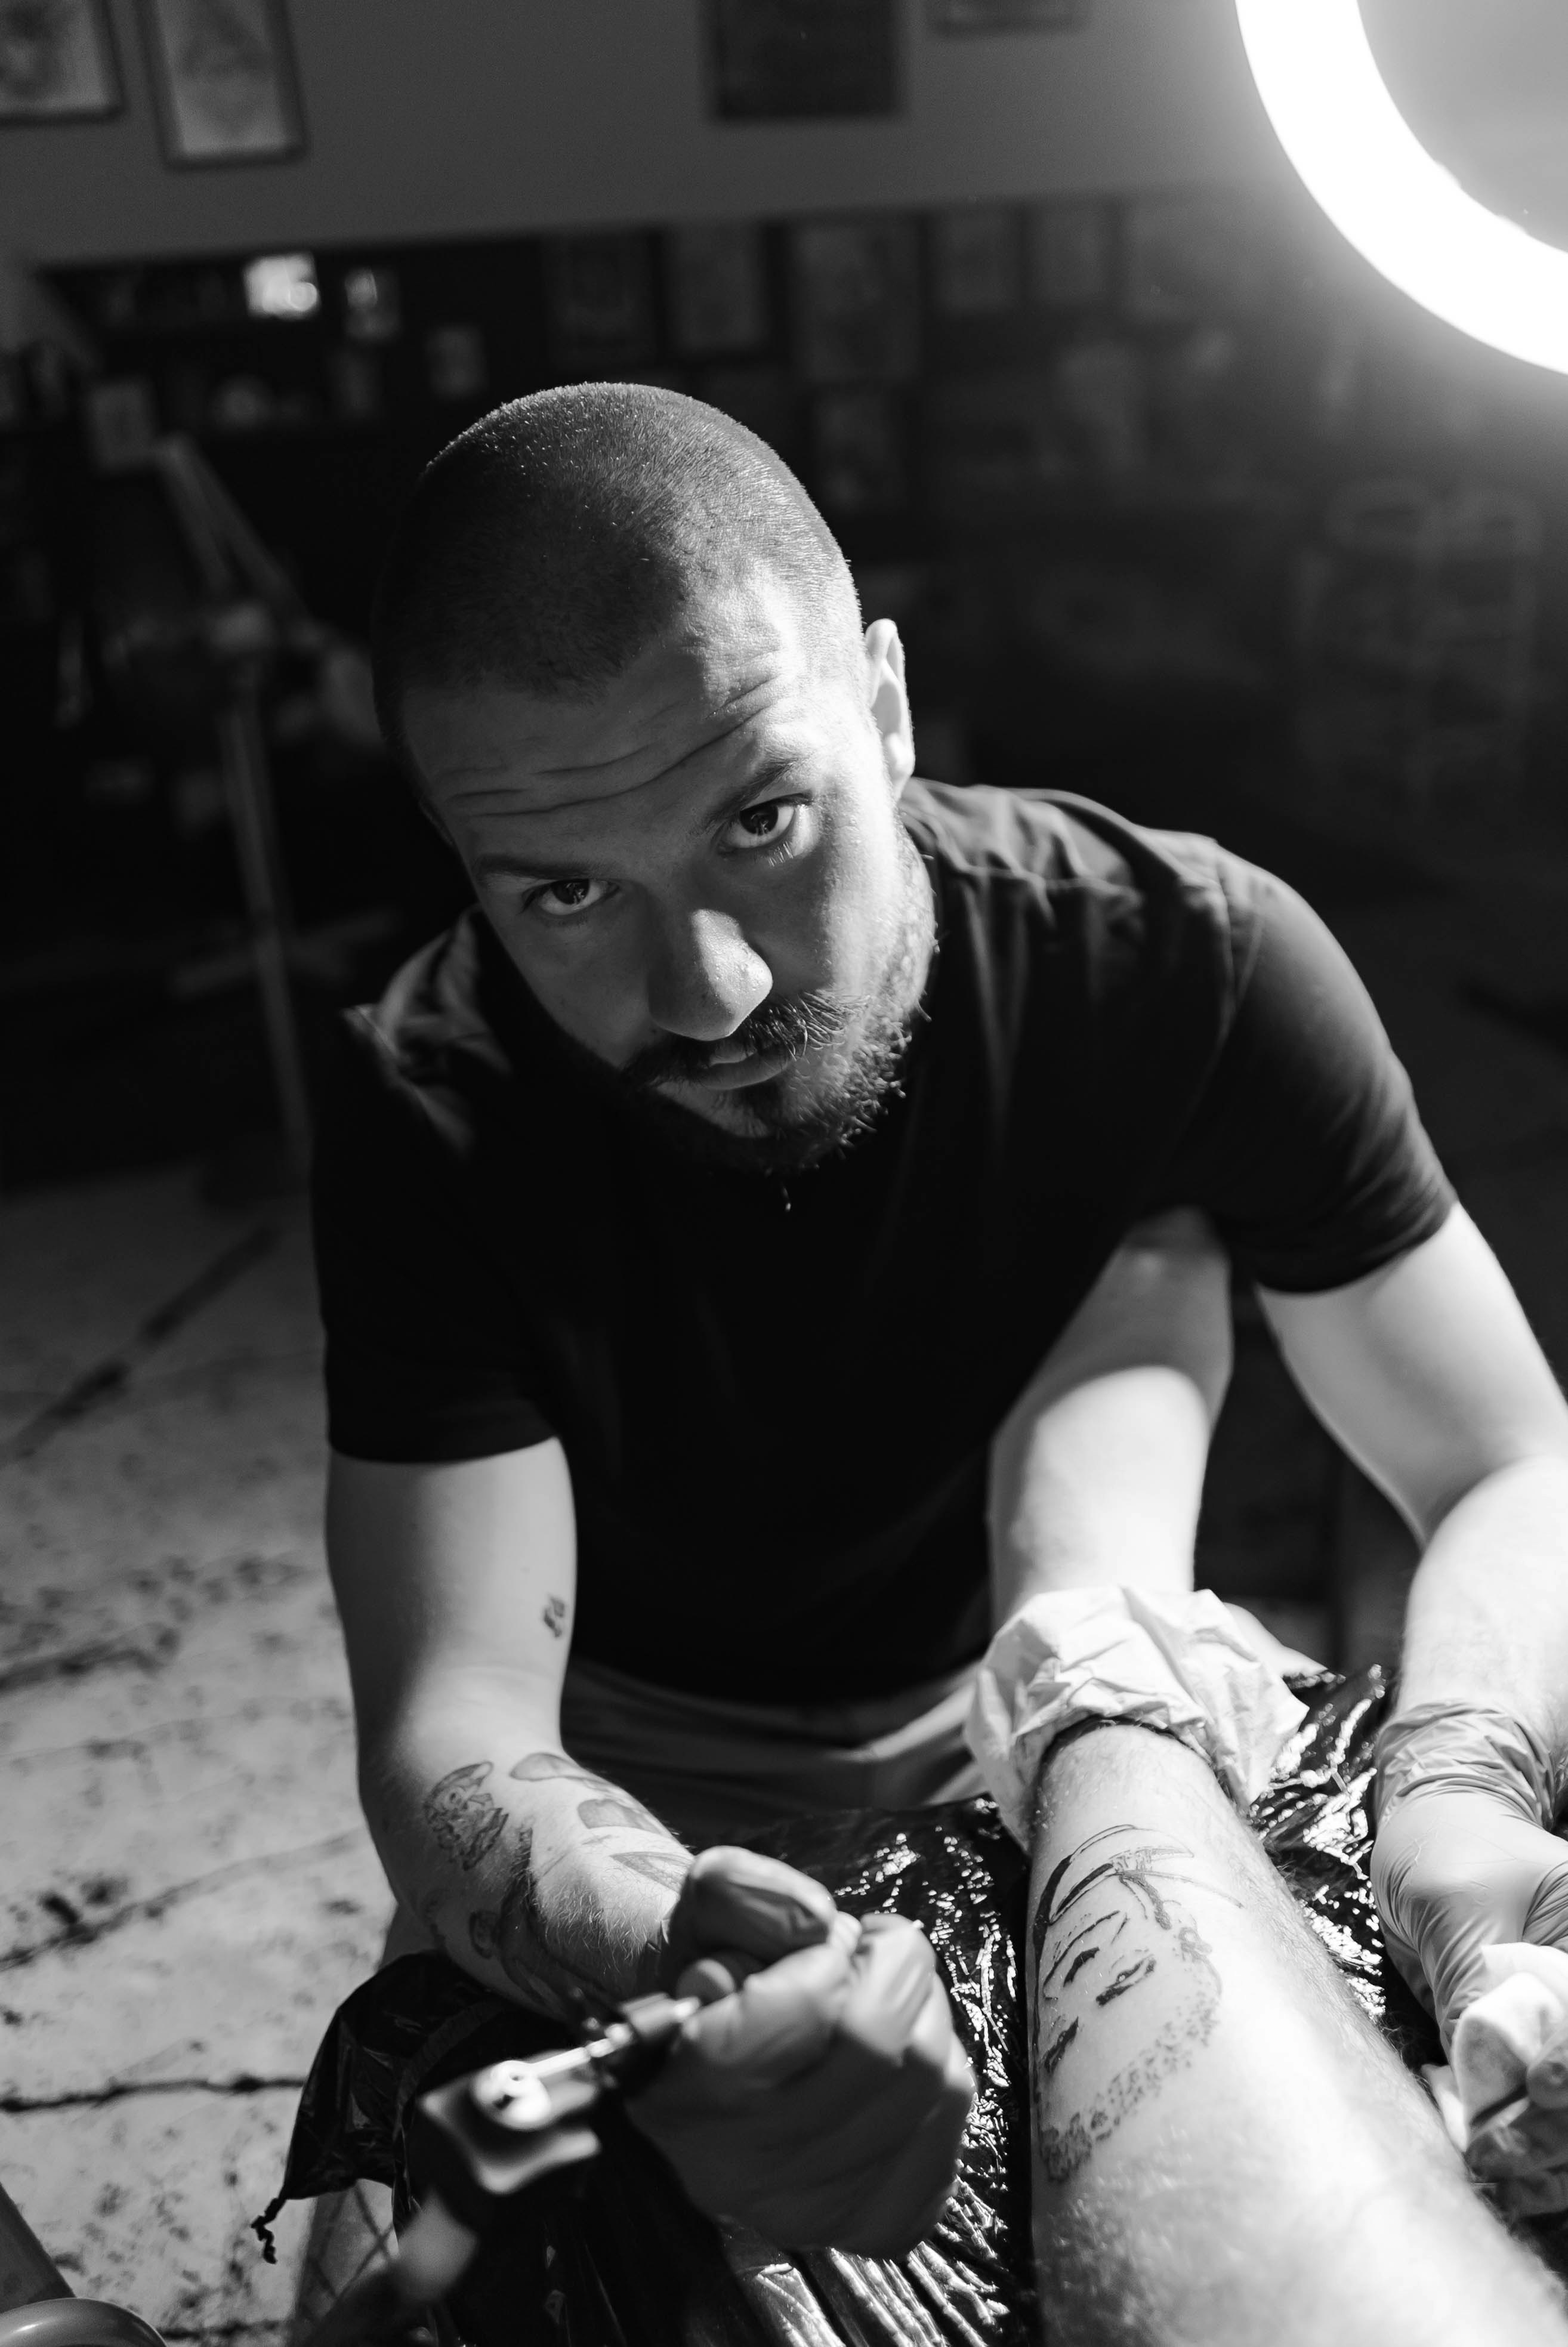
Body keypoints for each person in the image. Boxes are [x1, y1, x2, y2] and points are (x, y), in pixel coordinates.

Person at [316, 382, 1568, 2266]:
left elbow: (1504, 1453)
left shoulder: (1186, 964)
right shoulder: (431, 1099)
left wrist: (1456, 1807)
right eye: (565, 892)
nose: (706, 988)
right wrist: (678, 1940)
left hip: (1058, 1677)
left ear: (886, 706)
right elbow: (458, 1715)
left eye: (762, 818)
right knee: (429, 2272)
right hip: (641, 1760)